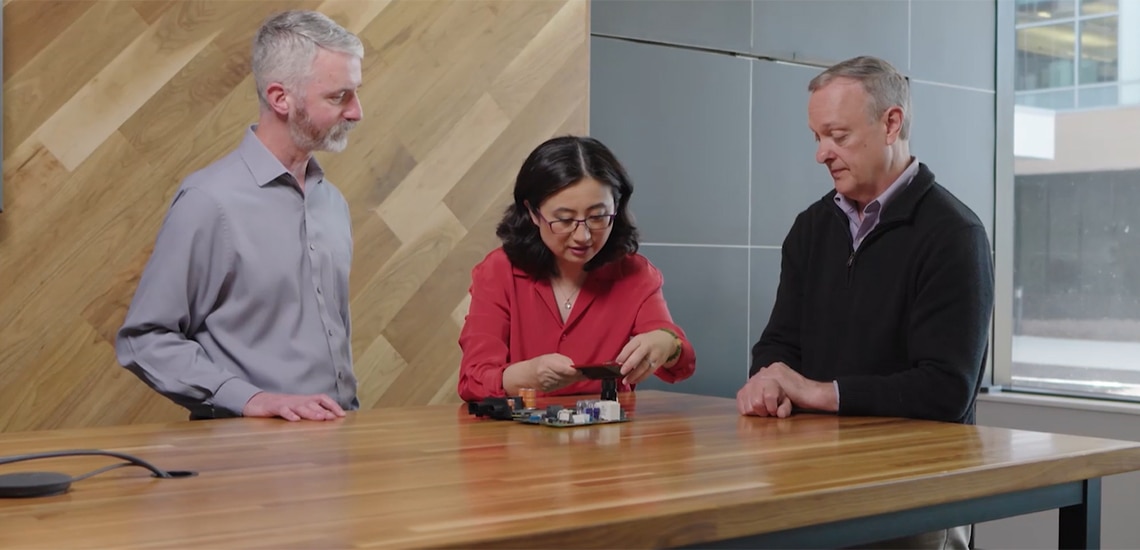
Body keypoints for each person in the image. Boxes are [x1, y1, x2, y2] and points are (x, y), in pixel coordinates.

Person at [737, 56, 994, 549]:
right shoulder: (811, 227)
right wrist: (767, 381)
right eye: (816, 137)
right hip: (816, 482)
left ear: (891, 122)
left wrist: (817, 392)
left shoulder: (954, 234)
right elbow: (777, 343)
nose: (822, 154)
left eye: (837, 135)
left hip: (915, 496)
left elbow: (946, 390)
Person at [115, 10, 365, 422]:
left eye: (355, 93)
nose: (357, 112)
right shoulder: (208, 201)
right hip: (244, 459)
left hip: (338, 446)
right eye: (339, 96)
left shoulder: (332, 202)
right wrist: (252, 399)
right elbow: (145, 339)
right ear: (280, 98)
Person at [458, 136, 696, 402]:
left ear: (616, 207)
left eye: (597, 217)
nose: (582, 236)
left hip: (609, 437)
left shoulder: (635, 275)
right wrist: (526, 375)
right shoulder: (498, 271)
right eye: (564, 220)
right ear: (533, 213)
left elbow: (682, 362)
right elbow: (473, 380)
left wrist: (666, 344)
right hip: (517, 437)